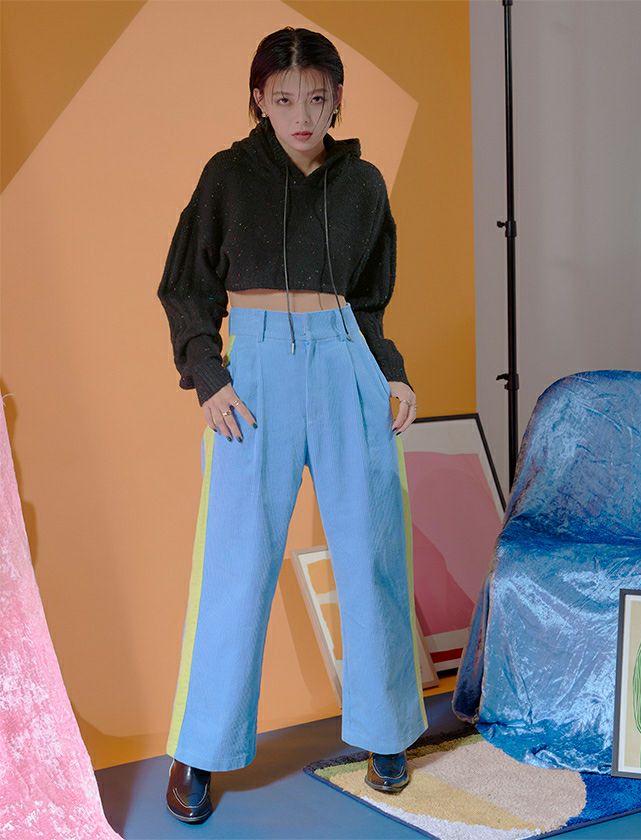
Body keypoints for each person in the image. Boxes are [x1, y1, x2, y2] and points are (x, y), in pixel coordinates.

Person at [157, 26, 428, 825]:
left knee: (371, 552)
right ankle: (200, 749)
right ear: (259, 100)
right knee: (236, 566)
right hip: (257, 373)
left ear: (337, 98)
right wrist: (208, 376)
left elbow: (369, 302)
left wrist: (392, 371)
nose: (302, 115)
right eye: (284, 99)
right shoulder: (227, 176)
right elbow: (185, 287)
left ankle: (385, 732)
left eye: (316, 98)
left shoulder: (364, 184)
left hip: (345, 362)